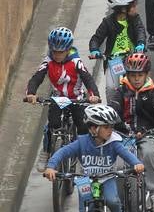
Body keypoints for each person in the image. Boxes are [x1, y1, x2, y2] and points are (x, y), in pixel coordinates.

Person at [44, 104, 143, 212]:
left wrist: (137, 163)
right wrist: (51, 166)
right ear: (93, 128)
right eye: (106, 127)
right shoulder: (81, 143)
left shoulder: (114, 142)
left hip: (107, 178)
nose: (110, 130)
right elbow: (63, 152)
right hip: (86, 181)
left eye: (111, 126)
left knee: (112, 199)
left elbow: (127, 154)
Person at [26, 27, 101, 169]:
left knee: (82, 126)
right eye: (54, 51)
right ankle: (46, 151)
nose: (57, 55)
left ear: (68, 49)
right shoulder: (48, 61)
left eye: (61, 52)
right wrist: (31, 93)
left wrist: (94, 95)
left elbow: (87, 78)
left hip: (76, 98)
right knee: (52, 125)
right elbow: (37, 77)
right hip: (58, 98)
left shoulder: (76, 61)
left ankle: (86, 154)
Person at [108, 52, 154, 212]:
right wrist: (112, 120)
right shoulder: (121, 90)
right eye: (132, 75)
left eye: (140, 75)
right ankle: (118, 198)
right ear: (126, 75)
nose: (136, 79)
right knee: (118, 163)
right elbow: (113, 108)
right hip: (123, 133)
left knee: (149, 153)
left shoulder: (151, 91)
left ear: (147, 74)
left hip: (147, 133)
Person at [88, 0, 146, 89]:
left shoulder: (135, 18)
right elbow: (96, 39)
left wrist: (140, 44)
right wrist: (94, 50)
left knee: (144, 88)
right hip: (114, 61)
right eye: (133, 5)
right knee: (112, 88)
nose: (136, 7)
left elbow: (140, 30)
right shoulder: (107, 22)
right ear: (123, 9)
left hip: (134, 59)